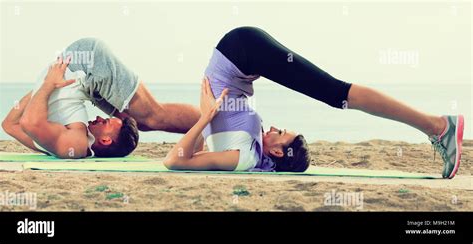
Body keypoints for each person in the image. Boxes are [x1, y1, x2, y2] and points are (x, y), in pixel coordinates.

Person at [163, 26, 464, 178]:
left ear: (279, 149)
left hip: (241, 52)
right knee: (335, 94)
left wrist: (205, 119)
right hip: (241, 56)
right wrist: (207, 119)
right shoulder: (251, 156)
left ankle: (437, 126)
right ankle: (436, 126)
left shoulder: (244, 157)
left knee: (335, 93)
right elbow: (192, 157)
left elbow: (177, 160)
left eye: (280, 133)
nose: (275, 127)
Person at [2, 38, 201, 158]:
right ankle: (205, 124)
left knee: (151, 118)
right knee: (146, 121)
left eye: (105, 121)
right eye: (104, 120)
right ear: (106, 140)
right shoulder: (68, 139)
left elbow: (13, 124)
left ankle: (207, 123)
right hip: (85, 70)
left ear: (104, 140)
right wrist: (45, 86)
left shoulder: (74, 144)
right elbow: (20, 124)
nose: (98, 117)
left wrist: (46, 84)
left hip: (84, 65)